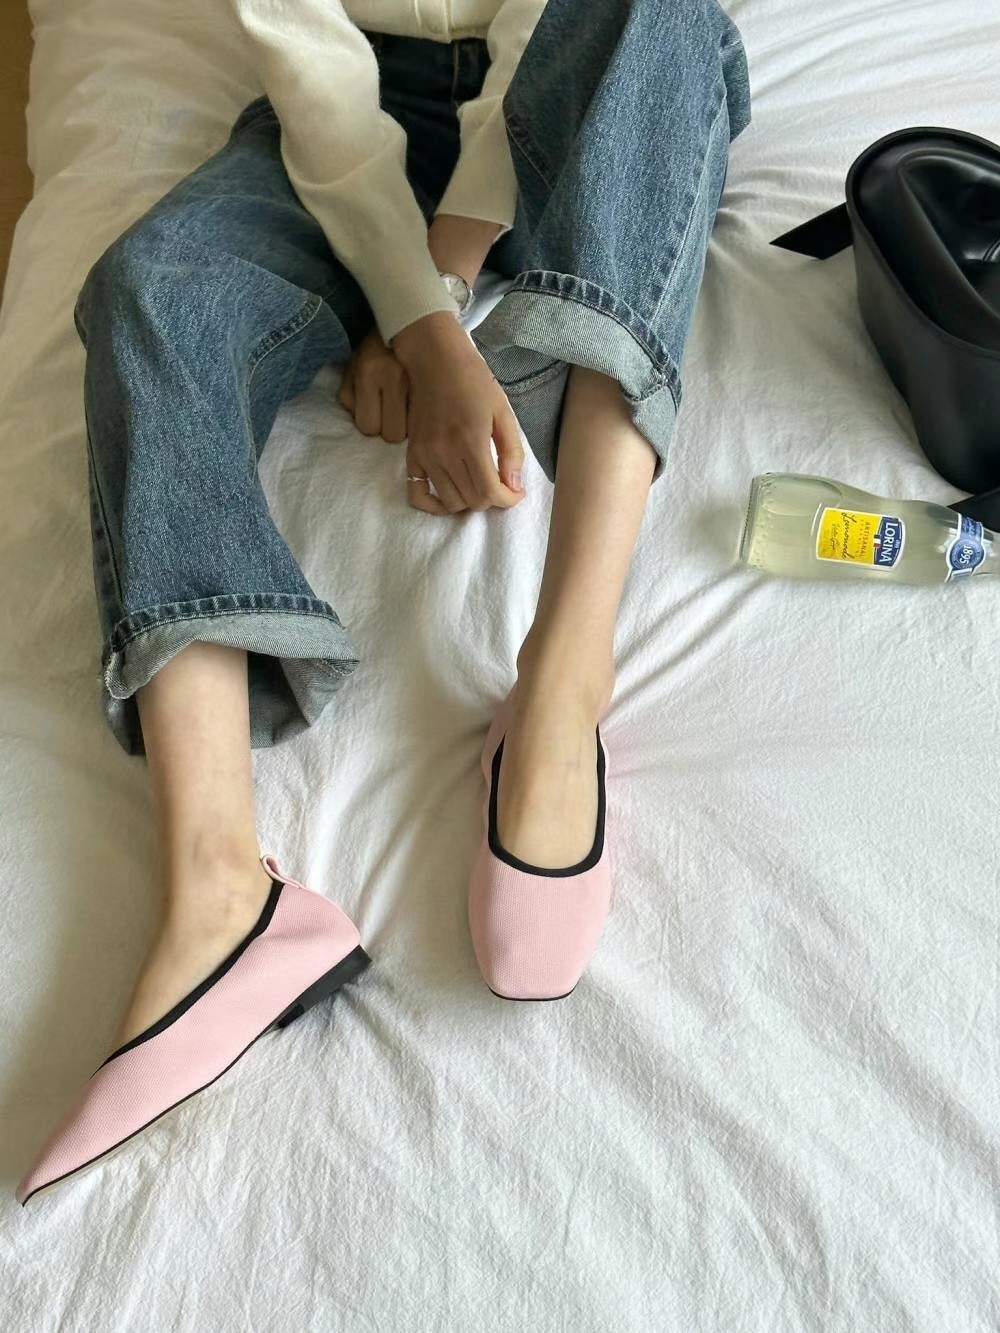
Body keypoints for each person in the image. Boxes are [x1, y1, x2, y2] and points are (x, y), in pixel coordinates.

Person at [14, 0, 751, 1203]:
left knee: (658, 11)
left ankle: (562, 690)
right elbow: (312, 64)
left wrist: (440, 288)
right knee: (154, 288)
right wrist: (421, 327)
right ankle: (220, 890)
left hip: (581, 77)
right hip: (348, 106)